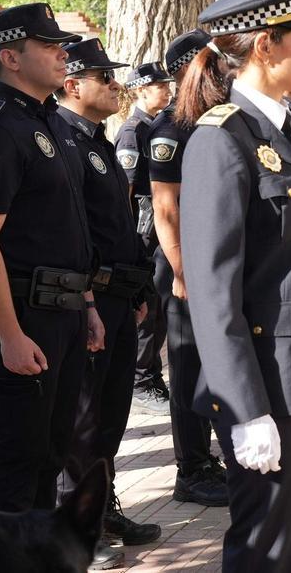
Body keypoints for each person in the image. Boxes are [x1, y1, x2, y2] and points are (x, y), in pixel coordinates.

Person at [177, 0, 291, 571]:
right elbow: (214, 292)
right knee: (265, 545)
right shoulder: (222, 140)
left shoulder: (280, 129)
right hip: (264, 379)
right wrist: (244, 408)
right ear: (265, 45)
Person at [0, 4, 103, 514]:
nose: (62, 53)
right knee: (20, 453)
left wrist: (86, 303)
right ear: (11, 57)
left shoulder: (52, 124)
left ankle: (38, 552)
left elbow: (68, 228)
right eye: (49, 46)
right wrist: (8, 335)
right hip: (24, 314)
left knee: (51, 450)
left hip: (64, 310)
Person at [55, 39, 161, 569]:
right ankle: (73, 526)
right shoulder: (64, 142)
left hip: (120, 297)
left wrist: (137, 291)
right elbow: (74, 234)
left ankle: (100, 507)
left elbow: (118, 226)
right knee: (82, 421)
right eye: (103, 76)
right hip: (89, 301)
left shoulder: (95, 140)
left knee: (111, 416)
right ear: (73, 85)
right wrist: (93, 300)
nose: (115, 84)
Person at [146, 29, 230, 508]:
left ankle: (214, 458)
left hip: (216, 265)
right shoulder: (168, 130)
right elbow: (166, 209)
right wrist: (181, 271)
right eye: (214, 62)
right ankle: (192, 468)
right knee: (188, 366)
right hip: (184, 267)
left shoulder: (215, 123)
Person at [117, 60, 174, 415]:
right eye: (159, 86)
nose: (166, 91)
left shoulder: (156, 126)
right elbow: (125, 190)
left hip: (157, 227)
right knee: (149, 309)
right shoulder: (133, 130)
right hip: (144, 230)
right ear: (141, 90)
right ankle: (141, 378)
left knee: (160, 308)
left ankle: (150, 373)